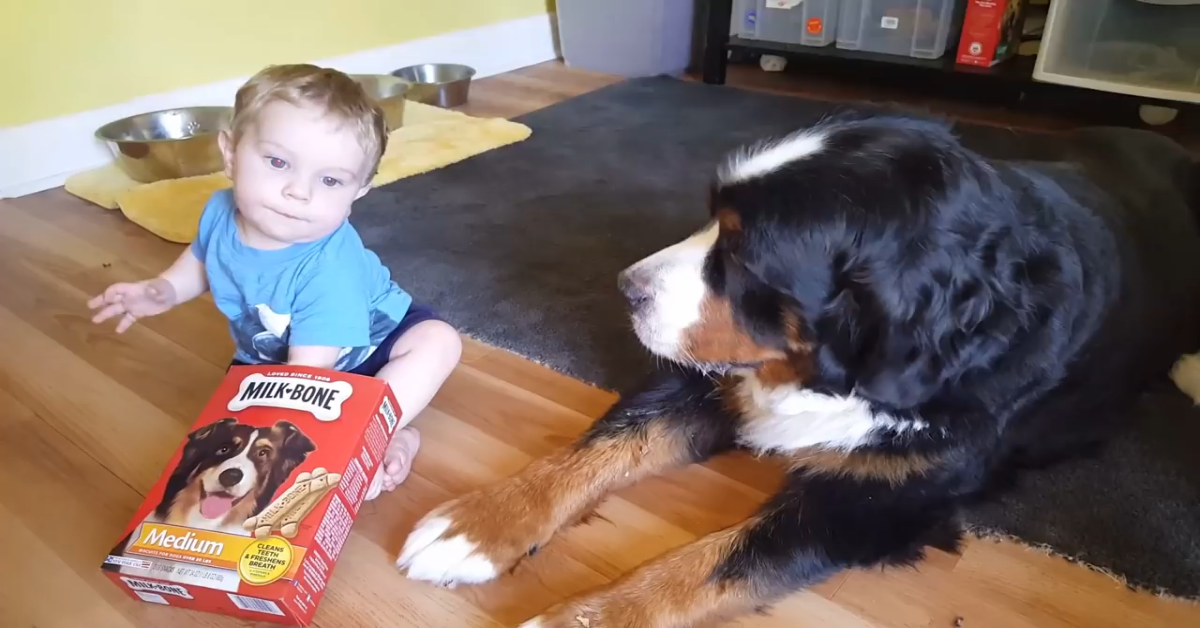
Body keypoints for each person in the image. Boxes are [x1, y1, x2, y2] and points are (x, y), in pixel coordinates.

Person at [87, 63, 461, 500]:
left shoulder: (329, 271)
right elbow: (204, 255)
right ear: (229, 153)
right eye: (278, 162)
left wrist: (318, 442)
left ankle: (375, 434)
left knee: (438, 341)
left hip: (363, 347)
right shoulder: (220, 209)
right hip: (273, 358)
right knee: (230, 429)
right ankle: (387, 434)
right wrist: (165, 288)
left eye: (330, 180)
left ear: (358, 191)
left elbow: (309, 377)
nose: (298, 191)